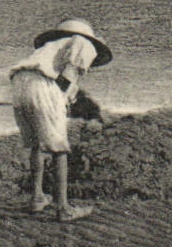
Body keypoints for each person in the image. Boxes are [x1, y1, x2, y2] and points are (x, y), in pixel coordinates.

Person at [10, 18, 111, 218]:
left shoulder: (51, 46)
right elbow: (66, 79)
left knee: (36, 143)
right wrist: (61, 103)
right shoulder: (84, 43)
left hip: (19, 83)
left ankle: (37, 198)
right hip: (42, 84)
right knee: (60, 148)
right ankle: (63, 208)